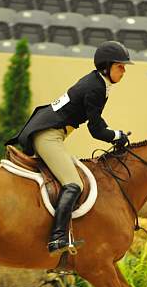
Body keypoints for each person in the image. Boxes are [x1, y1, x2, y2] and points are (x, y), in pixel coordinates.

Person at [7, 40, 134, 256]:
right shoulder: (96, 87)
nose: (123, 71)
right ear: (106, 67)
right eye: (120, 66)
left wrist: (115, 134)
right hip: (48, 135)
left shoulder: (97, 82)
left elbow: (97, 122)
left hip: (50, 132)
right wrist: (117, 136)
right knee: (73, 184)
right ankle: (57, 238)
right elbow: (96, 129)